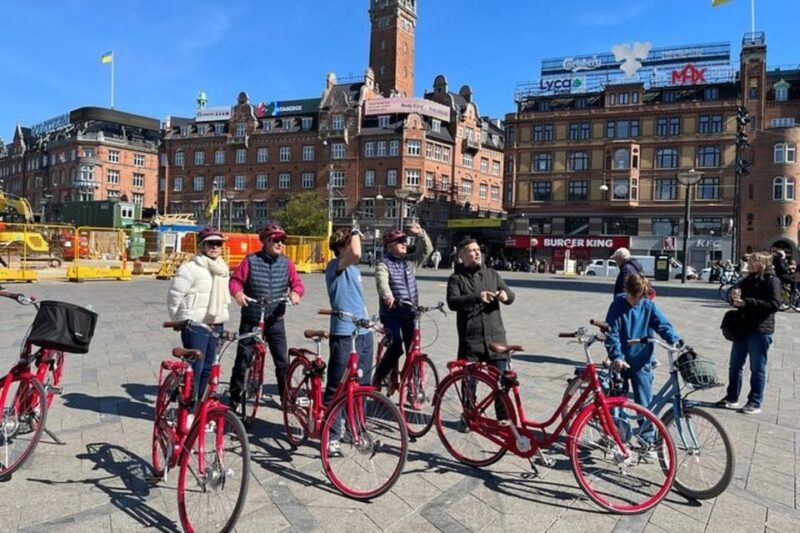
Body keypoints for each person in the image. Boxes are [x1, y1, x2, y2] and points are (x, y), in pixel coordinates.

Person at [228, 223, 304, 408]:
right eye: (276, 240)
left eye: (282, 240)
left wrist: (295, 293)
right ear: (265, 241)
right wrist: (238, 294)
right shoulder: (250, 260)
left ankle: (285, 398)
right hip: (252, 317)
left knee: (282, 362)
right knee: (243, 360)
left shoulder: (287, 263)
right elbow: (235, 281)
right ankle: (234, 397)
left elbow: (297, 284)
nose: (280, 244)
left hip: (275, 318)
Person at [447, 238, 515, 418]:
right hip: (471, 339)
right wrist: (478, 296)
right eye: (472, 250)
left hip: (496, 338)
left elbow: (511, 295)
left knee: (502, 382)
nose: (477, 253)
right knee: (469, 381)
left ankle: (503, 420)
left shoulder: (492, 274)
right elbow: (452, 302)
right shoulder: (456, 279)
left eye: (478, 250)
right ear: (462, 255)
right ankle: (469, 416)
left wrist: (505, 295)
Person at [166, 228, 231, 410]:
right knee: (197, 367)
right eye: (210, 243)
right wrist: (178, 321)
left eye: (218, 243)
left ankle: (200, 407)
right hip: (195, 324)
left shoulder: (223, 269)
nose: (215, 247)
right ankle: (188, 409)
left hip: (216, 323)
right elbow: (174, 296)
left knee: (209, 367)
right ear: (202, 246)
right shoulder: (190, 269)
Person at [324, 226, 374, 454]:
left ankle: (356, 428)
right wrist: (355, 230)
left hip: (363, 332)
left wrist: (370, 323)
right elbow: (356, 252)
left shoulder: (353, 269)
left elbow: (358, 300)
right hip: (344, 333)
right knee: (337, 385)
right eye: (350, 242)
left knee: (362, 385)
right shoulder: (335, 266)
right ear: (342, 247)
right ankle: (331, 435)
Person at [604, 273, 682, 413]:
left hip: (642, 361)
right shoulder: (617, 305)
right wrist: (616, 356)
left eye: (639, 298)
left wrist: (674, 339)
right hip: (621, 361)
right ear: (626, 290)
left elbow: (663, 324)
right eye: (633, 297)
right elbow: (612, 333)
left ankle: (645, 427)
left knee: (645, 405)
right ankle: (616, 425)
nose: (636, 301)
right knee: (617, 404)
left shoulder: (648, 306)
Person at [716, 251, 780, 414]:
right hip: (743, 328)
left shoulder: (772, 280)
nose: (749, 264)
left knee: (757, 367)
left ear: (762, 264)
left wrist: (747, 303)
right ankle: (732, 397)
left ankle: (755, 402)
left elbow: (774, 304)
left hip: (760, 329)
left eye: (752, 262)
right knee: (735, 365)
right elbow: (735, 292)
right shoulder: (748, 279)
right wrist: (733, 295)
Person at [373, 222, 432, 390]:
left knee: (412, 348)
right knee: (396, 345)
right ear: (390, 246)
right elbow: (381, 281)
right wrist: (387, 295)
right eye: (400, 242)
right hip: (391, 313)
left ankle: (414, 384)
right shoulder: (383, 264)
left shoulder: (409, 263)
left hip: (409, 313)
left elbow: (427, 251)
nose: (404, 244)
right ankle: (378, 376)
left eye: (404, 241)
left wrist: (421, 233)